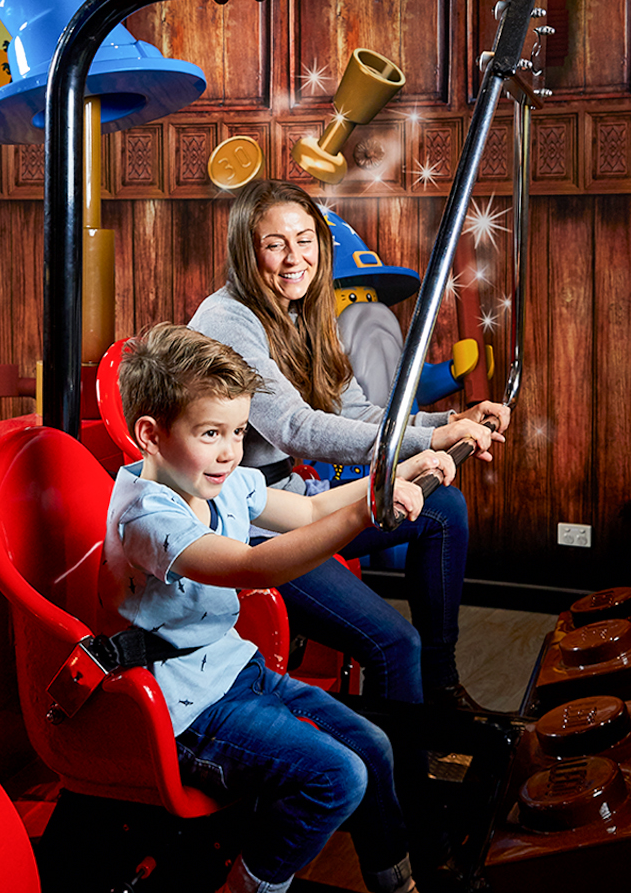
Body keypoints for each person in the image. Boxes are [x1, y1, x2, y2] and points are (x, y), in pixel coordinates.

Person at [105, 322, 457, 893]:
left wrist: (393, 476)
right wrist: (368, 514)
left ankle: (395, 881)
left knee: (373, 744)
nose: (228, 452)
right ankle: (249, 885)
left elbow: (313, 511)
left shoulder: (218, 480)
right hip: (186, 713)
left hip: (237, 674)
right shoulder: (147, 517)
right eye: (210, 433)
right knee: (337, 777)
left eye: (238, 432)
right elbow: (254, 567)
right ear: (150, 434)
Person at [189, 179, 511, 711]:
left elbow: (358, 412)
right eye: (275, 244)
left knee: (443, 507)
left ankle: (442, 687)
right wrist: (431, 438)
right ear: (248, 253)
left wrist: (451, 418)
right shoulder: (228, 321)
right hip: (246, 524)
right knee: (392, 645)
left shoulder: (305, 312)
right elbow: (295, 427)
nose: (295, 258)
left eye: (305, 239)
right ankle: (394, 785)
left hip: (291, 498)